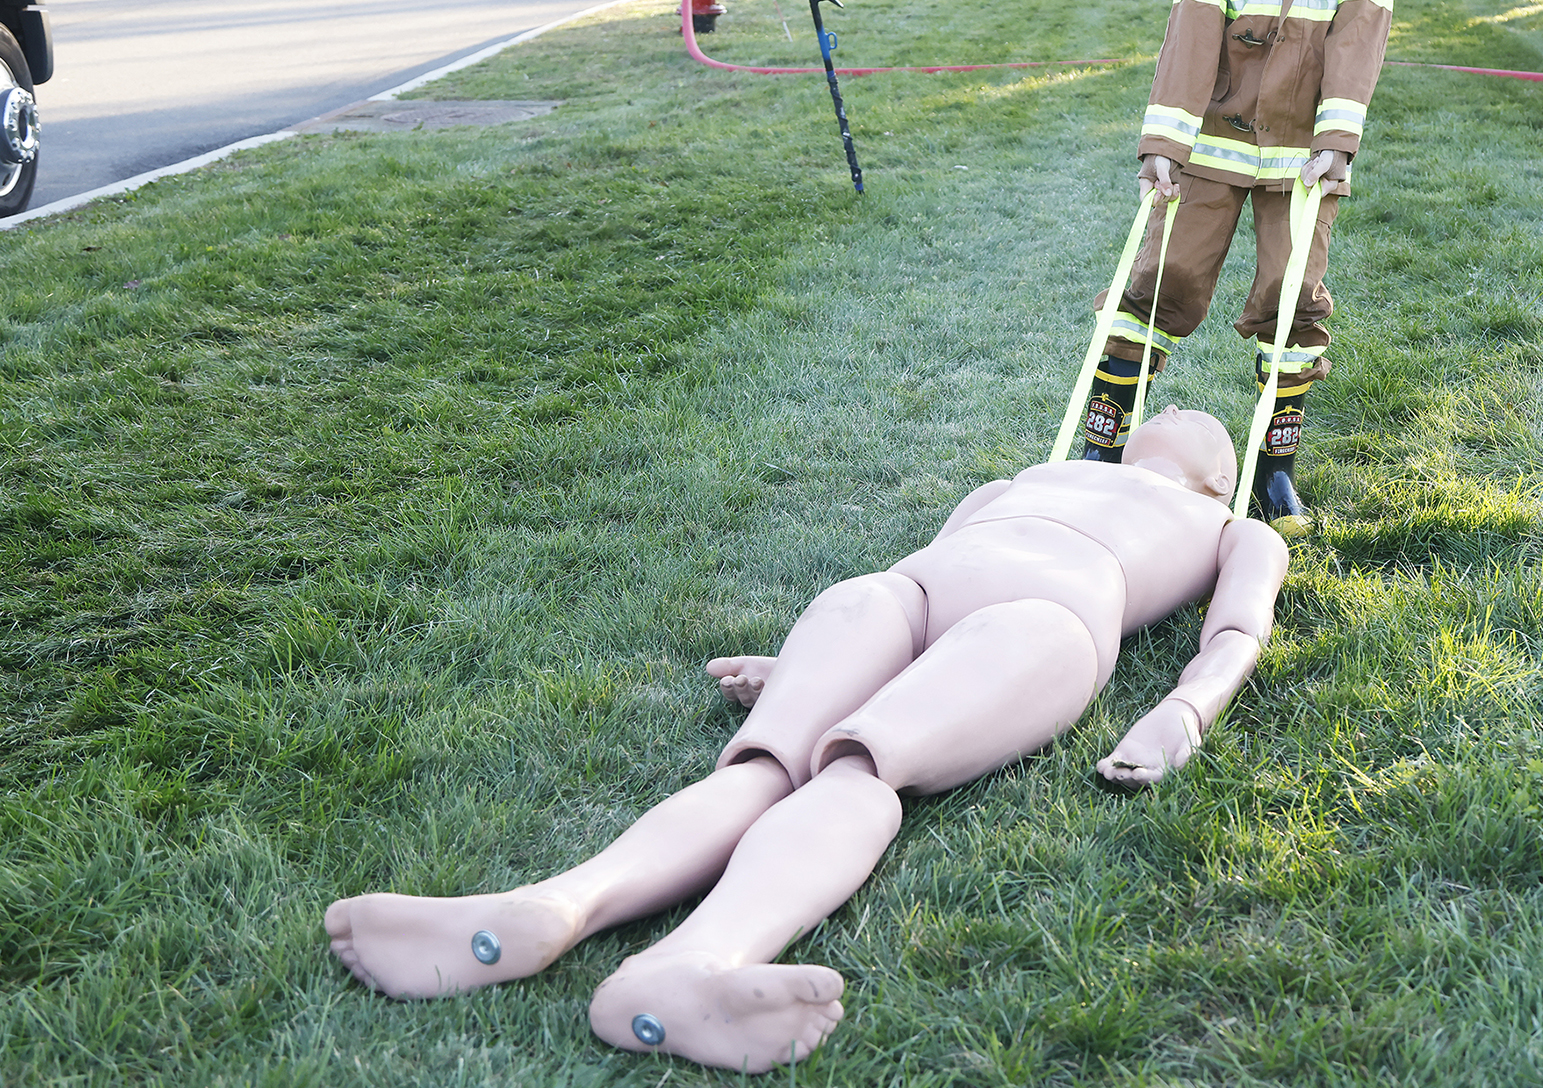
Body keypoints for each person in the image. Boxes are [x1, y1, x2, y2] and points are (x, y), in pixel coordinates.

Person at [324, 407, 1290, 1074]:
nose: (1174, 412)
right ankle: (564, 911)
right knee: (779, 763)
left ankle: (669, 948)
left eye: (1194, 419)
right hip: (916, 594)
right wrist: (793, 668)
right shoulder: (1035, 475)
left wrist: (1181, 713)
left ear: (1220, 474)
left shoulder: (1235, 525)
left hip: (1026, 614)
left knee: (844, 765)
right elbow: (934, 552)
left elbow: (1236, 636)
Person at [1079, 0, 1398, 536]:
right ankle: (1101, 450)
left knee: (1294, 298)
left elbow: (1358, 40)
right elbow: (1190, 33)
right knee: (1159, 284)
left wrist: (1338, 142)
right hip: (1210, 146)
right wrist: (1164, 146)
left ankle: (1273, 470)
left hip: (1303, 157)